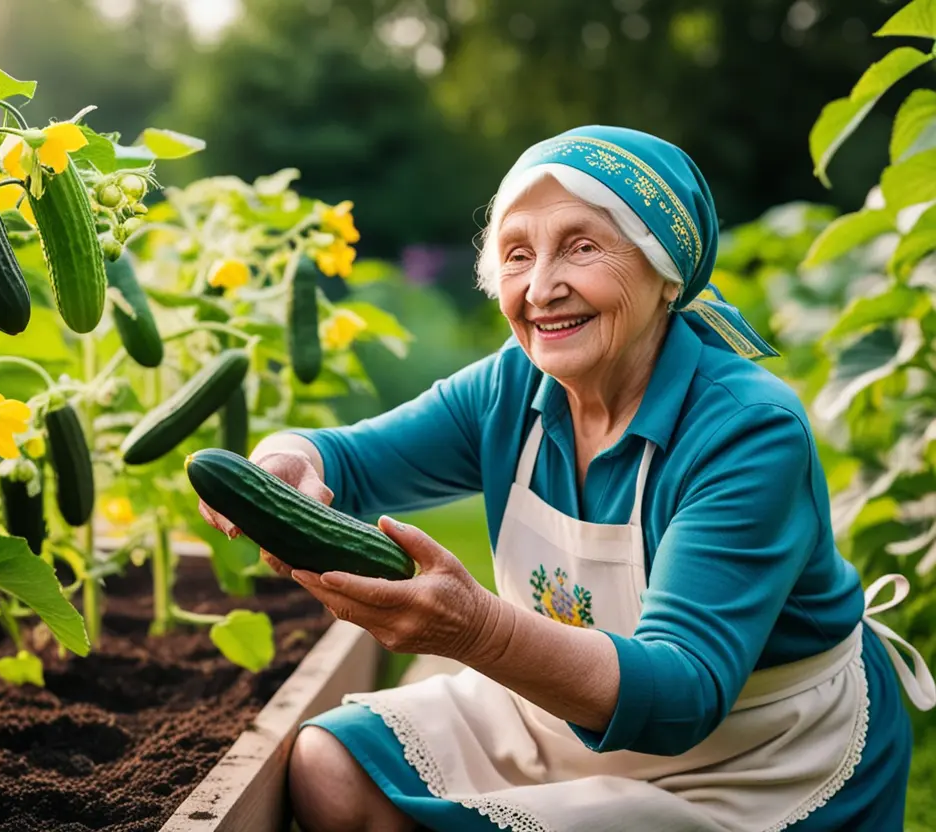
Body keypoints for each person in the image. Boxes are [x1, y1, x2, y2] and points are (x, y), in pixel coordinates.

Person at [197, 125, 936, 832]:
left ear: (663, 271)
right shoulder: (511, 390)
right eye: (517, 255)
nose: (542, 286)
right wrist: (285, 464)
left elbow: (683, 693)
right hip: (548, 710)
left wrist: (476, 629)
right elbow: (348, 460)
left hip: (747, 755)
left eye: (580, 247)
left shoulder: (746, 429)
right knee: (330, 772)